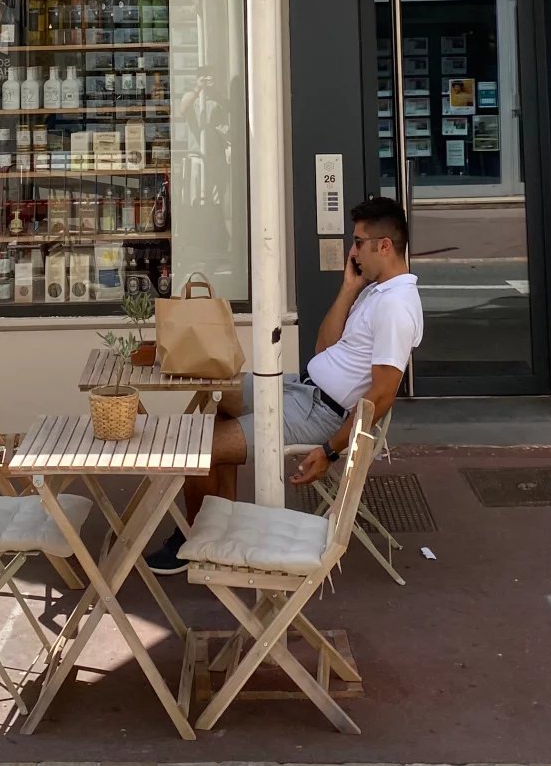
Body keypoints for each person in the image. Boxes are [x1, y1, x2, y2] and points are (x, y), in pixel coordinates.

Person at [148, 193, 423, 575]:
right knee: (217, 389)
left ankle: (194, 540)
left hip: (320, 414)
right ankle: (217, 526)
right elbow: (324, 346)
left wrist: (329, 451)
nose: (353, 251)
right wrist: (349, 288)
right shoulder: (376, 293)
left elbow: (383, 394)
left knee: (201, 447)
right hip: (302, 389)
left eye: (359, 242)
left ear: (385, 246)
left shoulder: (396, 306)